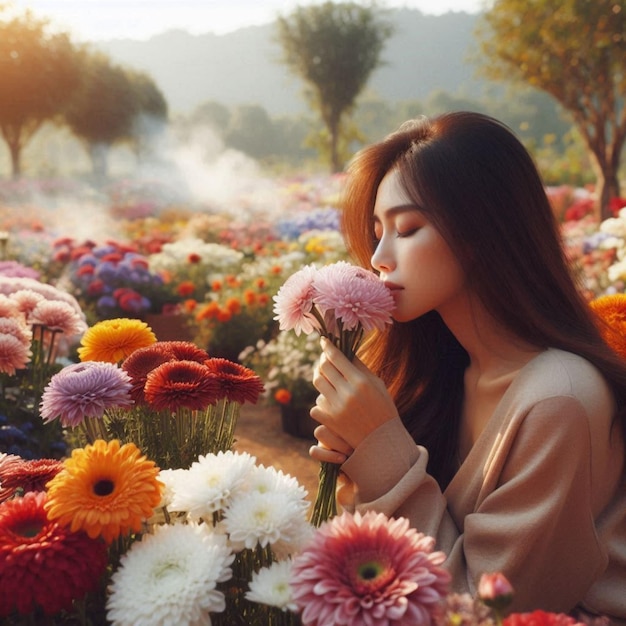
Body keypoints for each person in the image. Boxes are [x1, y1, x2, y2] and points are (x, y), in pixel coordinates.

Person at [309, 111, 626, 622]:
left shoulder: (559, 399)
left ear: (482, 231)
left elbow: (489, 608)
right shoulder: (439, 372)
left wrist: (383, 451)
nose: (379, 258)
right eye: (376, 233)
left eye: (407, 228)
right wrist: (357, 459)